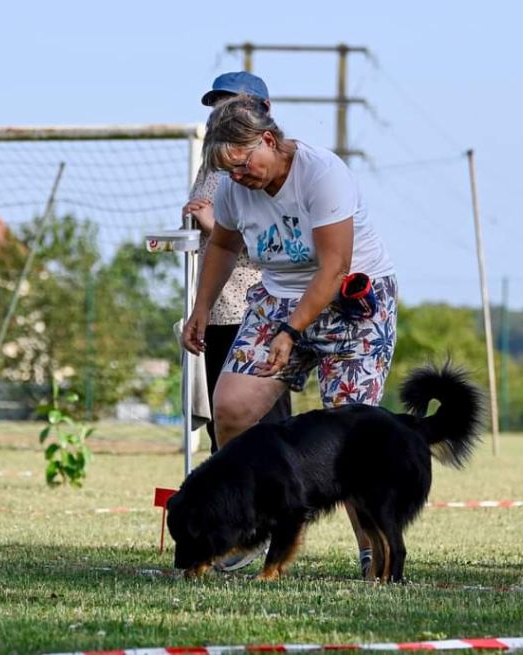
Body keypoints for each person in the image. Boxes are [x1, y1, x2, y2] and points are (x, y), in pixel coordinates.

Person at [180, 94, 398, 576]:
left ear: (269, 140)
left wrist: (290, 331)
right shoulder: (235, 190)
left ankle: (372, 551)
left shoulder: (322, 174)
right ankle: (249, 530)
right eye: (229, 172)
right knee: (232, 408)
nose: (239, 177)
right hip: (278, 297)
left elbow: (334, 265)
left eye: (243, 164)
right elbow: (223, 243)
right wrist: (201, 307)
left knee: (350, 435)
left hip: (349, 300)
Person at [184, 71, 292, 457]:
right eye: (218, 105)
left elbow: (275, 239)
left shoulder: (271, 167)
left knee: (267, 423)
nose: (222, 113)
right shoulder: (214, 164)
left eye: (232, 104)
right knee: (222, 419)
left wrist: (213, 225)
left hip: (255, 307)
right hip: (218, 308)